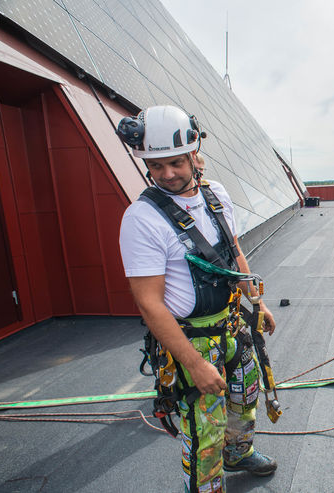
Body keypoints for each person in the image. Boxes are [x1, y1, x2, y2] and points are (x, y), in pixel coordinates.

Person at [117, 105, 278, 493]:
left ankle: (238, 452)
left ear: (194, 155)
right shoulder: (141, 220)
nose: (167, 174)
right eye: (156, 166)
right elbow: (149, 304)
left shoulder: (215, 195)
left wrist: (256, 301)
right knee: (203, 426)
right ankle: (206, 487)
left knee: (245, 397)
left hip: (232, 324)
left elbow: (233, 250)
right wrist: (193, 364)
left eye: (175, 162)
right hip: (191, 341)